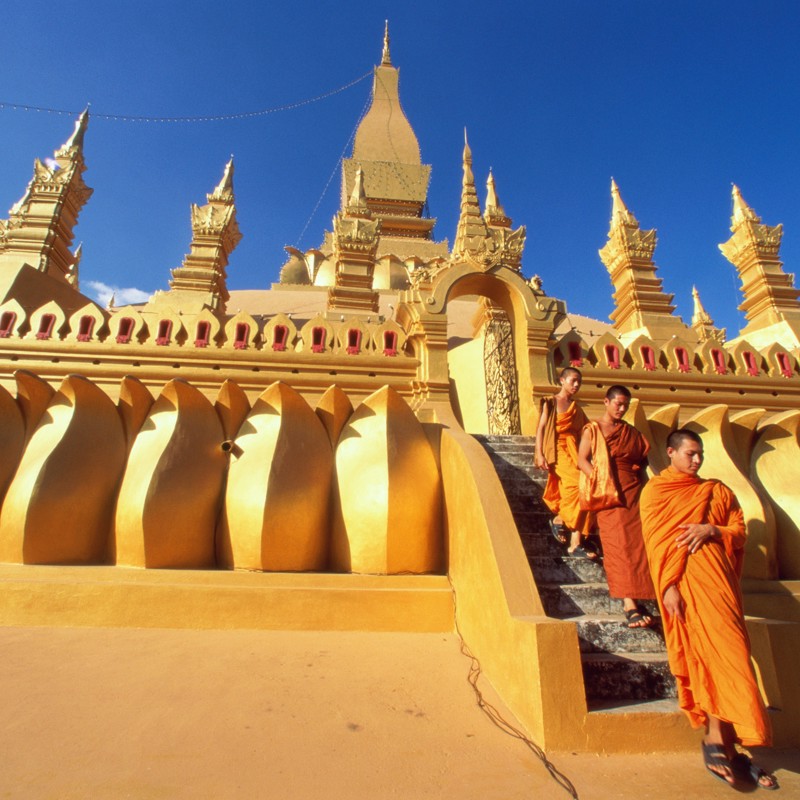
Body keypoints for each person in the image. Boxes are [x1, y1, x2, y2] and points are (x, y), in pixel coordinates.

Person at [639, 429, 777, 790]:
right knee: (708, 659)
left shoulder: (717, 490)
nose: (697, 460)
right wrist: (666, 587)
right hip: (685, 588)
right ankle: (718, 739)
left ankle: (730, 744)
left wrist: (712, 529)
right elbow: (656, 545)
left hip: (722, 589)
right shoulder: (656, 492)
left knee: (734, 659)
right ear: (670, 453)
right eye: (690, 454)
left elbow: (738, 530)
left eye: (700, 454)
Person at [577, 385, 655, 627]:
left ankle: (645, 594)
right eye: (618, 404)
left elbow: (642, 466)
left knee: (639, 545)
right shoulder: (593, 429)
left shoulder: (631, 432)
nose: (621, 409)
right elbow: (582, 460)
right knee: (618, 547)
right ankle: (629, 602)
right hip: (609, 495)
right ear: (606, 402)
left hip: (634, 493)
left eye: (625, 405)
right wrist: (599, 481)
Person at [534, 367, 596, 560]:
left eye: (579, 382)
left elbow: (586, 433)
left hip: (575, 451)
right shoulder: (551, 402)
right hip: (558, 450)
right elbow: (542, 427)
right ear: (562, 380)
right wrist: (539, 453)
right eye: (573, 380)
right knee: (575, 486)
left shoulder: (577, 408)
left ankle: (572, 538)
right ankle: (562, 520)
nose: (576, 385)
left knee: (586, 487)